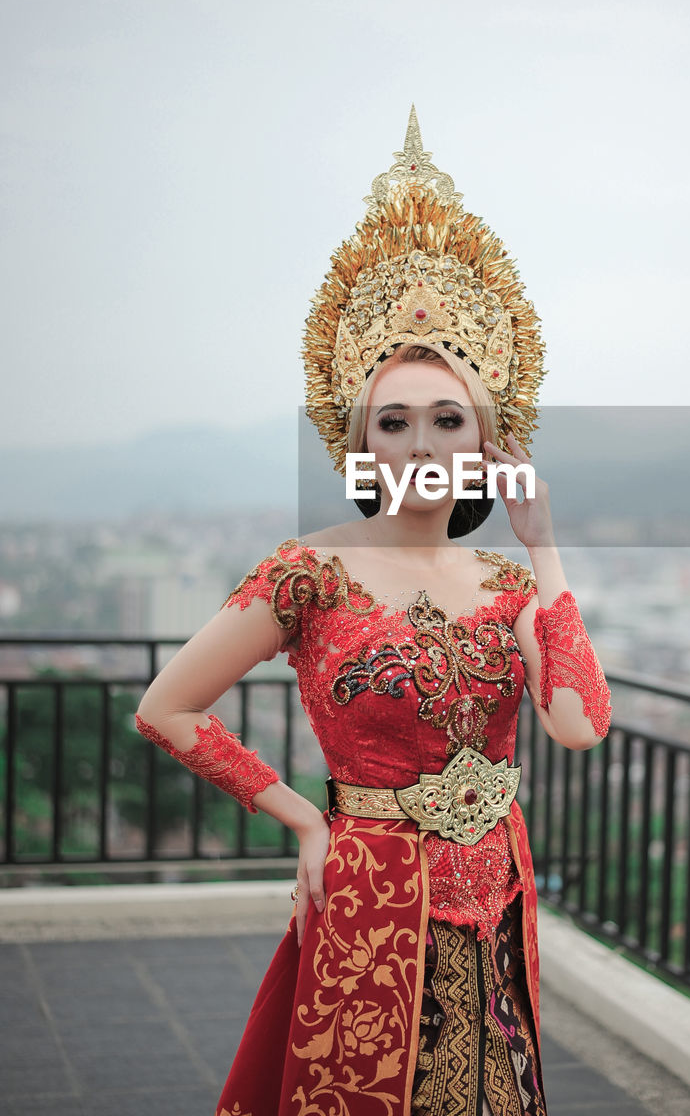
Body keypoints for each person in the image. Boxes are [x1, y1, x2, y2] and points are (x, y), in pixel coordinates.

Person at [135, 108, 612, 1116]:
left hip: (498, 895)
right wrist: (304, 817)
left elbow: (579, 722)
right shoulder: (309, 572)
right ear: (360, 444)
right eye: (394, 421)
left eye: (451, 420)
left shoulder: (510, 583)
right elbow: (167, 706)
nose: (422, 442)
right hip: (372, 891)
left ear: (486, 442)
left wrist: (544, 542)